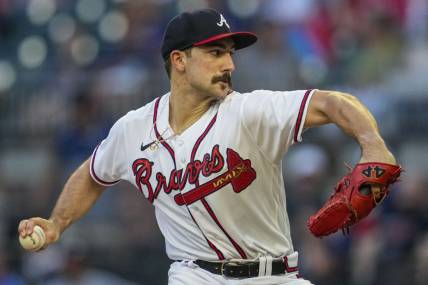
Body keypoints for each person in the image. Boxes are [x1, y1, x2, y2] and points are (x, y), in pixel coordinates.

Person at [18, 8, 397, 285]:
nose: (229, 63)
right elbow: (93, 173)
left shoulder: (251, 111)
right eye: (216, 52)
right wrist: (56, 223)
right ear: (179, 61)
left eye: (230, 52)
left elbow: (330, 102)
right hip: (194, 275)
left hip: (275, 275)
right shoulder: (132, 129)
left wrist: (373, 145)